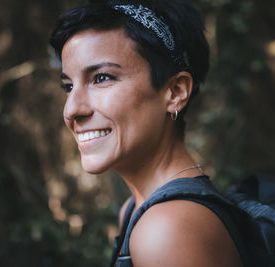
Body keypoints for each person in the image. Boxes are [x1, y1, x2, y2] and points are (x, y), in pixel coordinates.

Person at [50, 0, 244, 266]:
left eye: (102, 78)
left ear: (175, 93)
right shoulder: (135, 210)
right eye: (68, 87)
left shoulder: (168, 229)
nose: (72, 109)